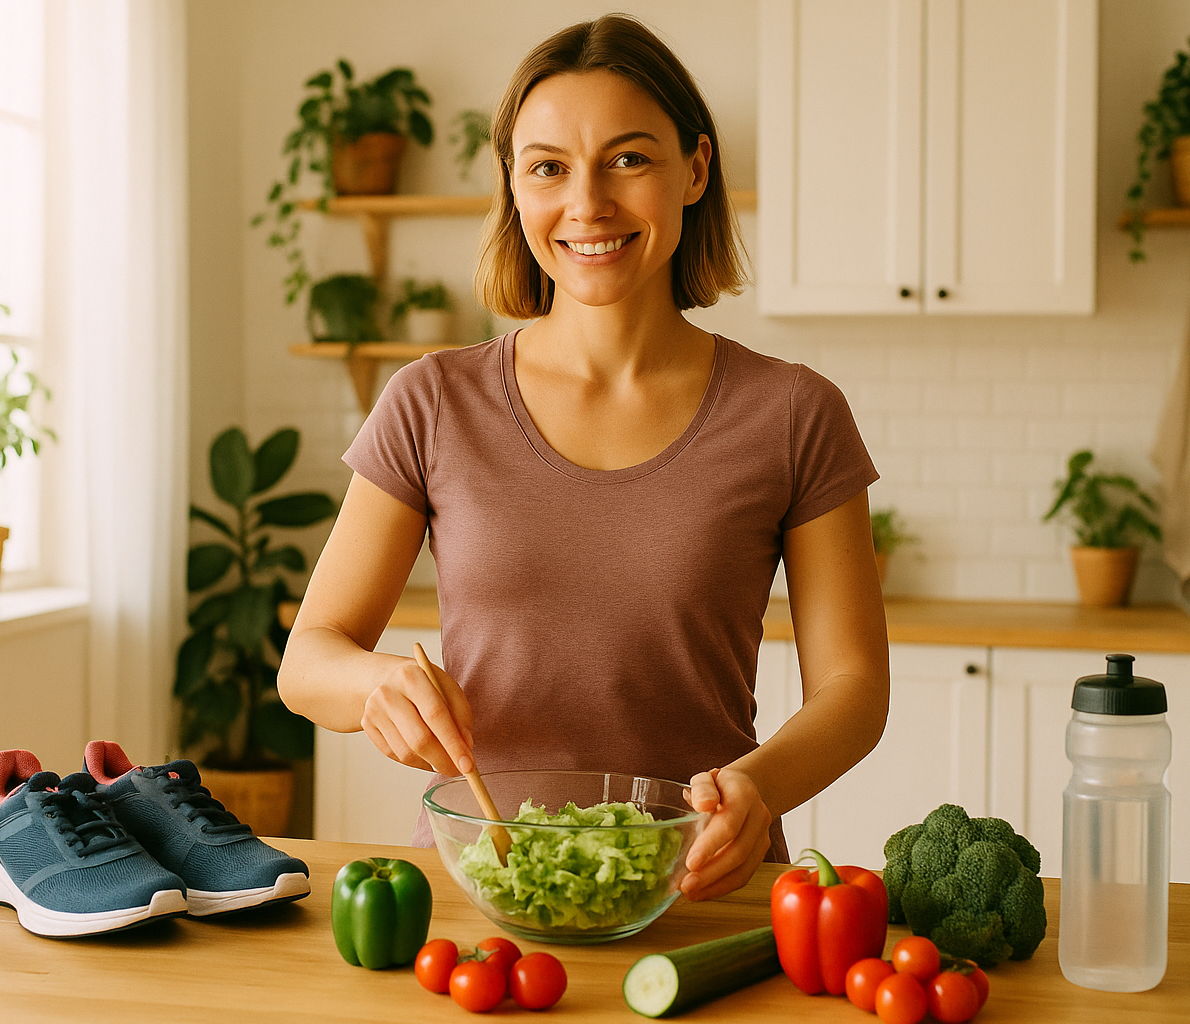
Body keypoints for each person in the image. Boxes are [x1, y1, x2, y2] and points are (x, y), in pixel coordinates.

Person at [278, 14, 889, 902]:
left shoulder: (795, 414)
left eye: (629, 159)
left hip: (700, 888)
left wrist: (759, 787)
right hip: (485, 886)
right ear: (515, 189)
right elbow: (309, 661)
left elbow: (855, 688)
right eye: (549, 167)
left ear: (696, 169)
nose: (588, 203)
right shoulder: (433, 401)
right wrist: (376, 685)